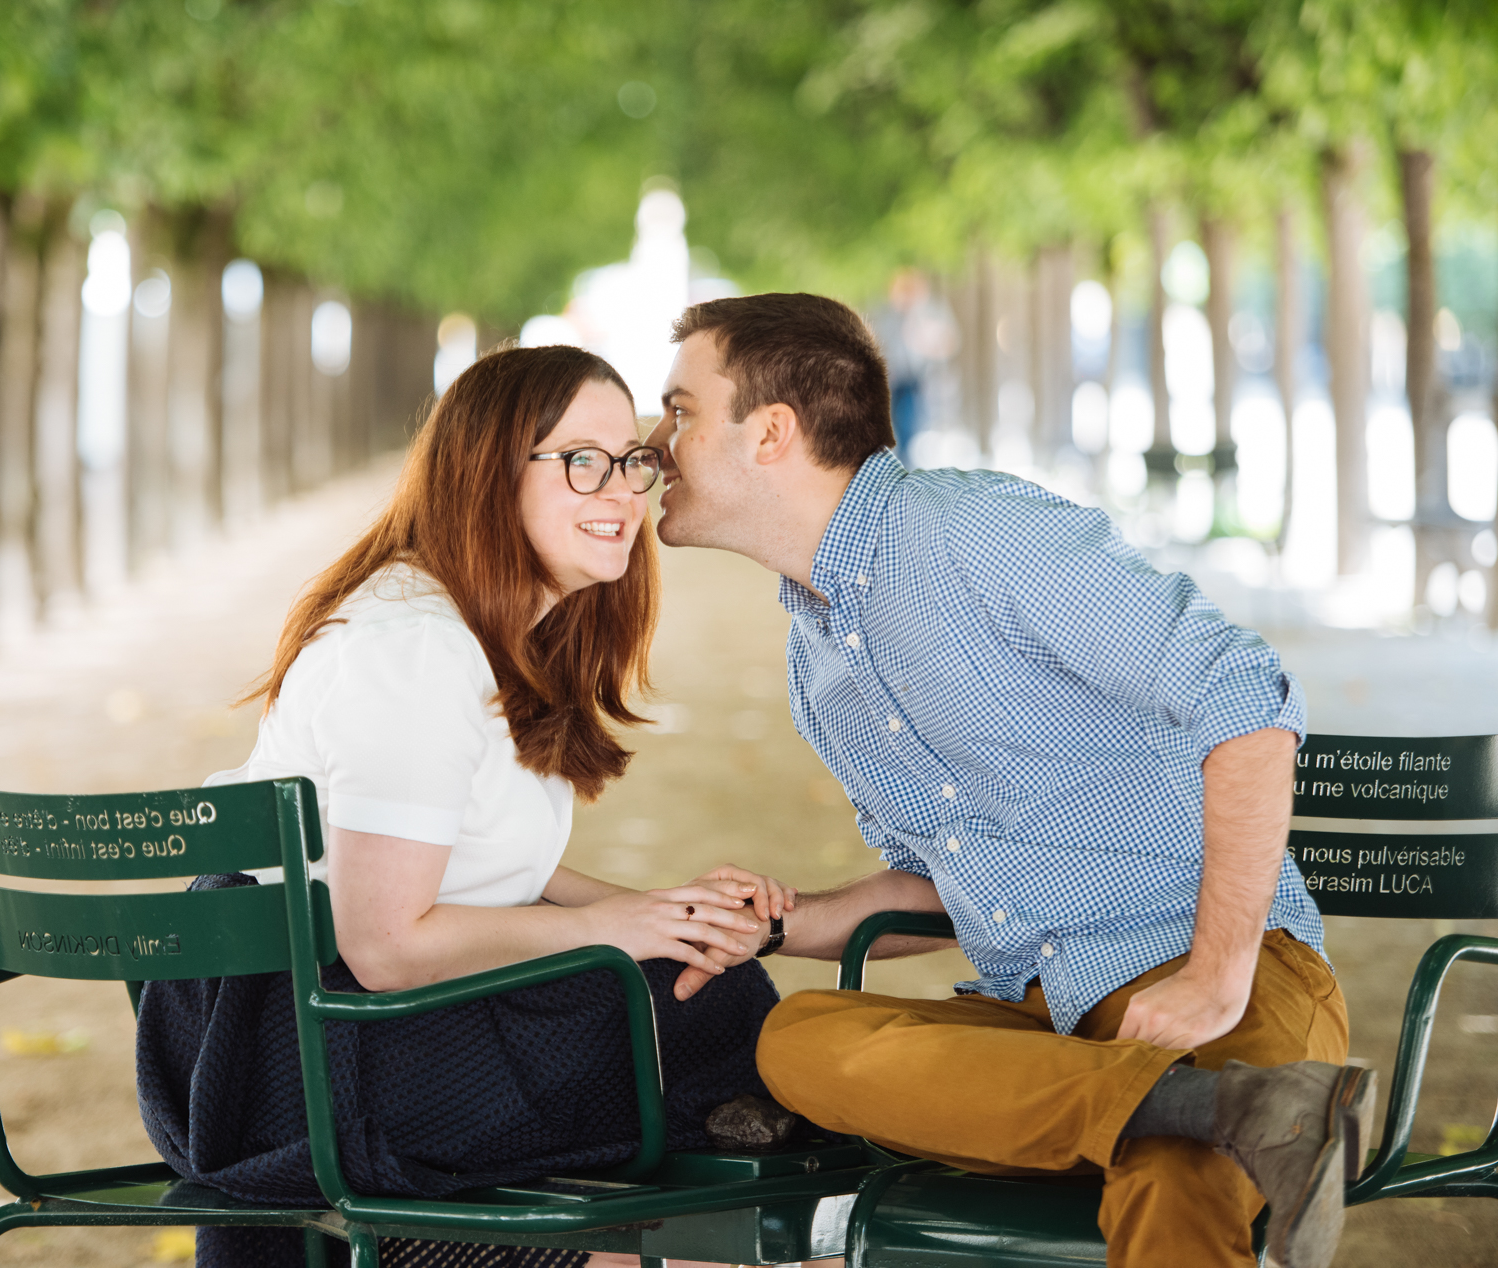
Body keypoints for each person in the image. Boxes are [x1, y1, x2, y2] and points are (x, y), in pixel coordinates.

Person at [643, 293, 1372, 1268]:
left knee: (1172, 1176)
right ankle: (1202, 1104)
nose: (655, 442)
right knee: (798, 1036)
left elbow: (1243, 695)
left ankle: (1207, 1106)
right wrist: (777, 924)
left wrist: (1215, 971)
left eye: (680, 409)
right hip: (1047, 1031)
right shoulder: (815, 663)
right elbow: (935, 890)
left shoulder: (972, 531)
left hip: (1215, 978)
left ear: (770, 432)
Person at [136, 345, 792, 1268]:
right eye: (581, 462)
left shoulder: (475, 631)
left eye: (632, 460)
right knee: (688, 1008)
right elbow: (389, 943)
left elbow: (465, 855)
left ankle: (638, 1235)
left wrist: (658, 913)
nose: (623, 492)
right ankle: (518, 1246)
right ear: (487, 472)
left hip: (341, 1024)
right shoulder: (415, 650)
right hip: (306, 1057)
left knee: (699, 984)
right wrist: (614, 928)